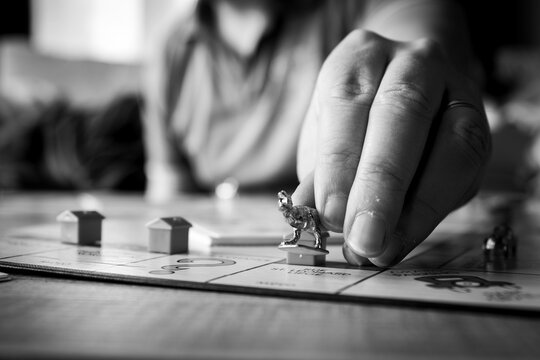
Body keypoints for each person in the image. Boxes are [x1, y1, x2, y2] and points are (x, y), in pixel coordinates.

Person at [143, 0, 490, 267]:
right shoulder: (170, 49)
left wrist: (411, 73)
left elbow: (419, 31)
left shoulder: (352, 7)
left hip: (373, 234)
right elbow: (170, 200)